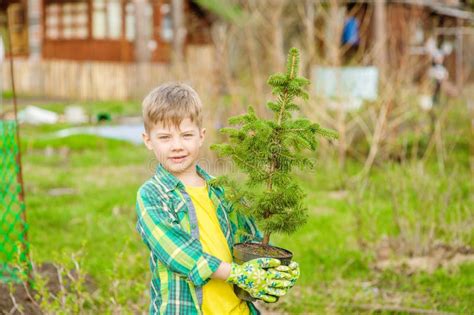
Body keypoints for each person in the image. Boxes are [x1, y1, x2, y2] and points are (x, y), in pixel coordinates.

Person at [135, 82, 300, 314]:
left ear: (201, 136)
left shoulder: (222, 190)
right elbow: (178, 252)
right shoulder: (152, 195)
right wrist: (236, 273)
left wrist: (276, 267)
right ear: (148, 140)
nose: (177, 146)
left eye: (186, 135)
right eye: (165, 137)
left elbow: (250, 238)